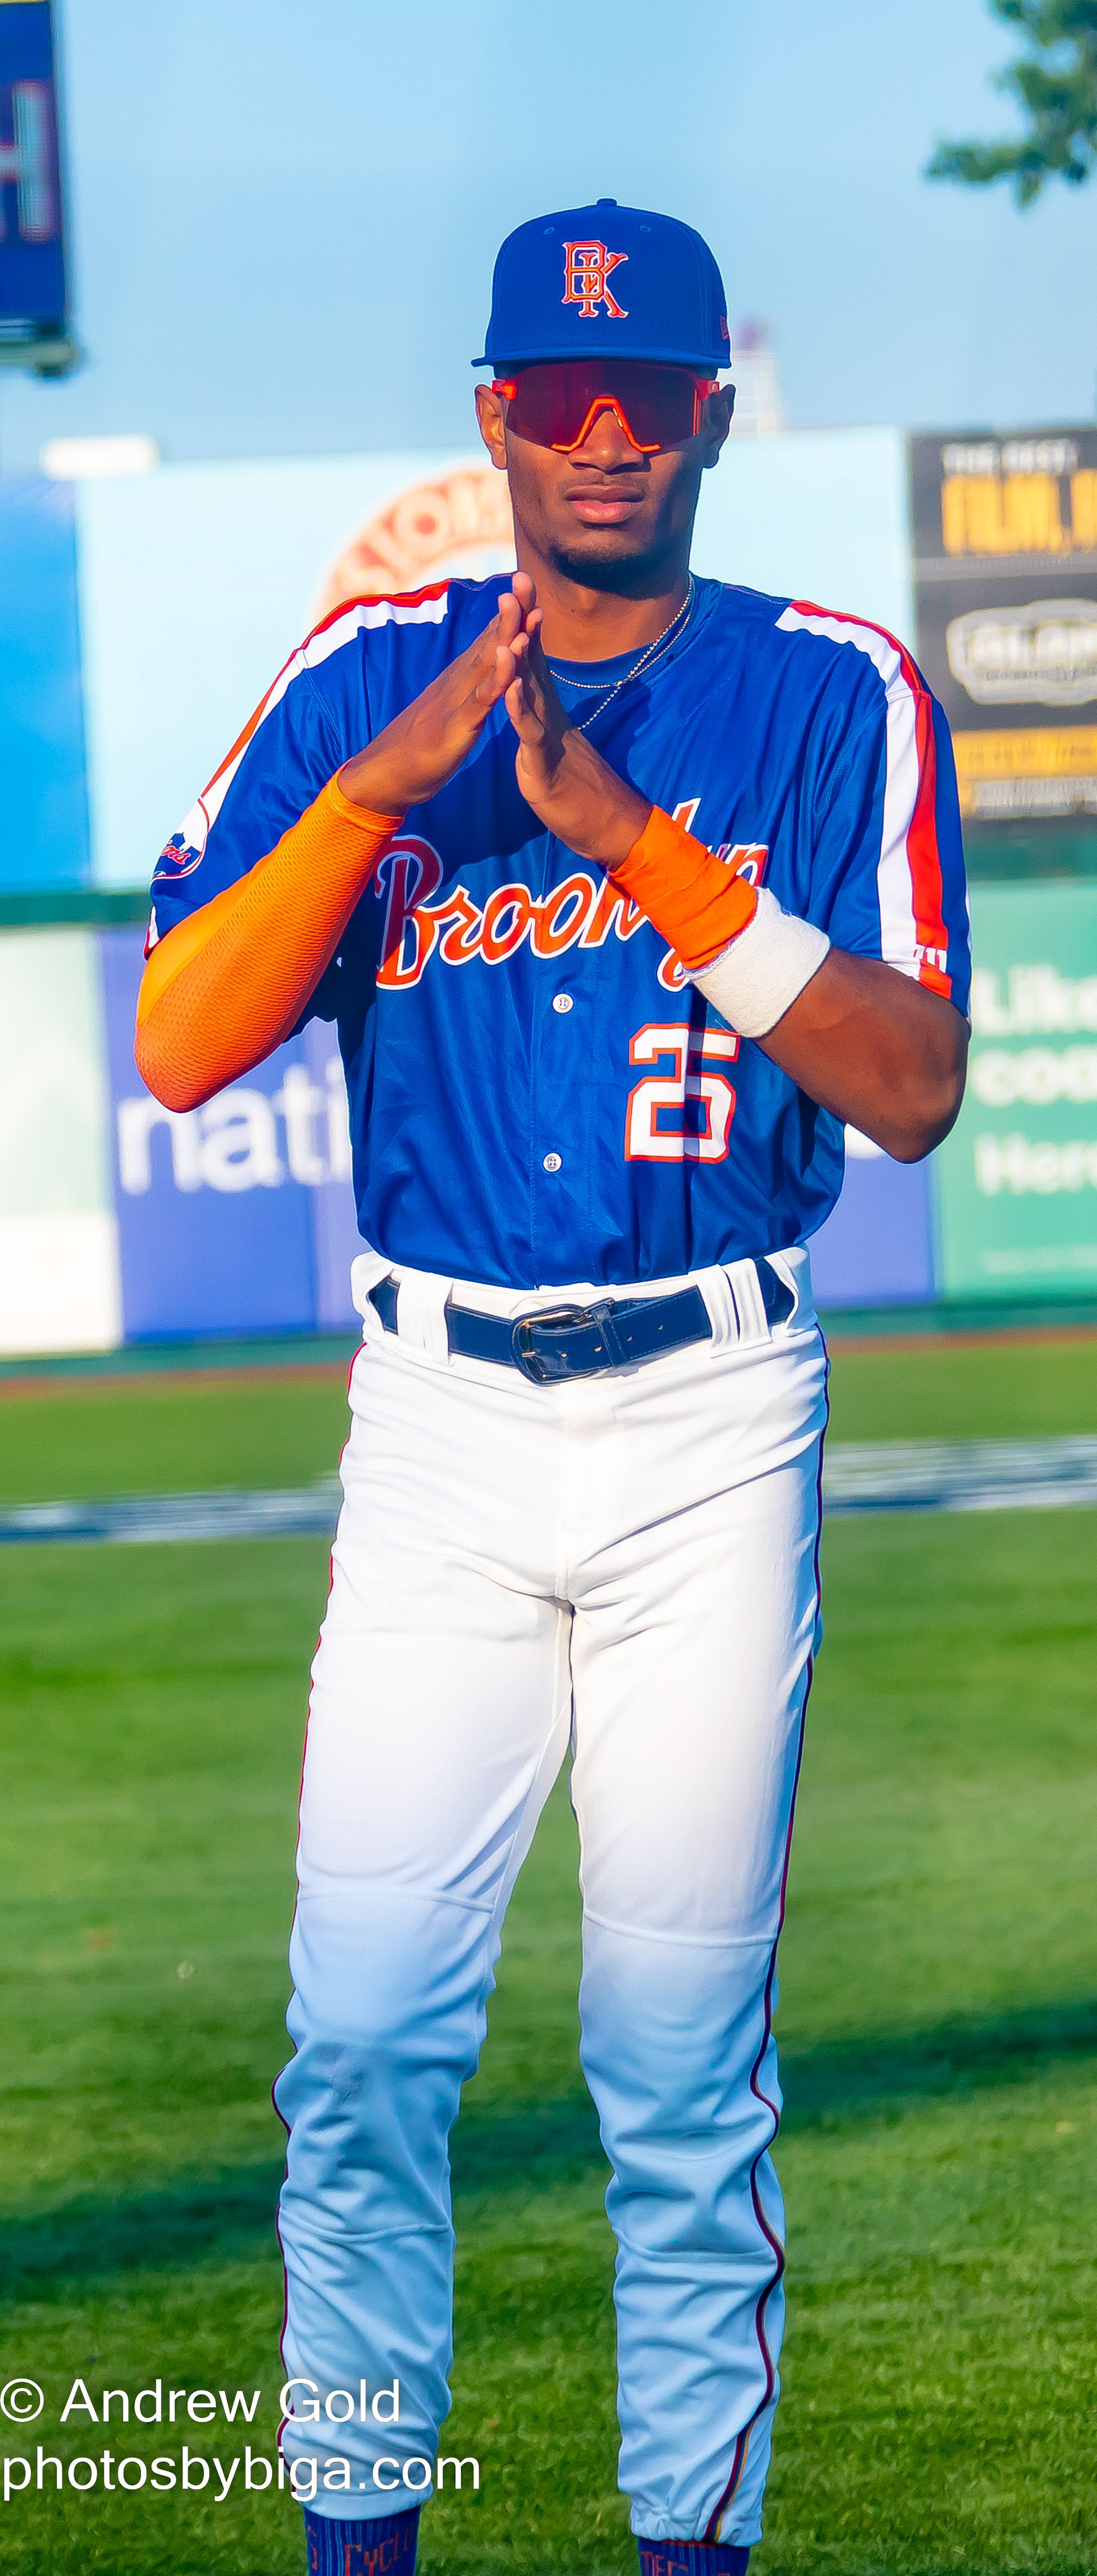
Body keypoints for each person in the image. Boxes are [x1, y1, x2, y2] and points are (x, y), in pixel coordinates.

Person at [135, 199, 969, 2576]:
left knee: (681, 2076)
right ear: (494, 415)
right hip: (439, 1422)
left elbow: (909, 1086)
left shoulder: (831, 691)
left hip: (713, 1408)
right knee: (368, 2049)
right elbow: (185, 1039)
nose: (606, 433)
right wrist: (394, 784)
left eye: (652, 393)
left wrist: (636, 852)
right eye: (558, 394)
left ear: (713, 408)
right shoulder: (360, 679)